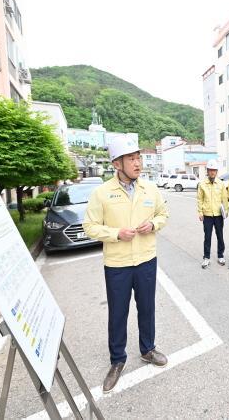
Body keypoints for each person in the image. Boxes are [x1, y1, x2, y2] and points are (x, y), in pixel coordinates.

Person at [83, 135, 169, 393]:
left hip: (146, 260)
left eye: (139, 157)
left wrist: (153, 224)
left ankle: (148, 349)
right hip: (118, 264)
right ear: (117, 163)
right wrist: (115, 234)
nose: (138, 163)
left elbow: (163, 214)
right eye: (131, 158)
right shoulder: (102, 193)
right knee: (118, 314)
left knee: (147, 308)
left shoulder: (149, 189)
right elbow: (90, 226)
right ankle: (117, 360)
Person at [197, 159, 229, 269]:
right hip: (207, 215)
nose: (212, 172)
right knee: (207, 236)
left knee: (220, 236)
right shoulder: (202, 184)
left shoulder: (220, 184)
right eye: (210, 170)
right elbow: (199, 199)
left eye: (214, 170)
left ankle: (220, 255)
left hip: (218, 215)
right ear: (207, 171)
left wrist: (226, 211)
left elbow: (225, 199)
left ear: (216, 172)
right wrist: (200, 212)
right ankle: (206, 257)